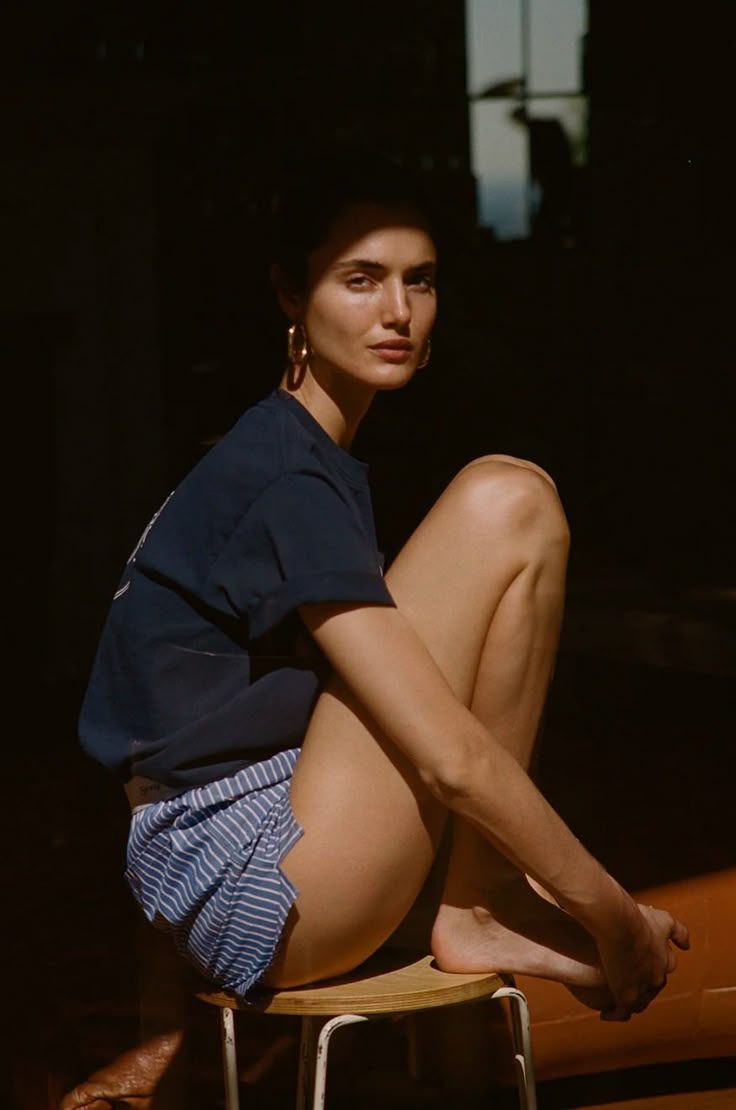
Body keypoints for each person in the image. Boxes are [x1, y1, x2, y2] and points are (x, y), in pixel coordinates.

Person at [68, 148, 688, 1104]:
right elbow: (451, 759)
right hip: (250, 880)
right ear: (292, 295)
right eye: (361, 280)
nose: (397, 311)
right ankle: (477, 905)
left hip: (246, 848)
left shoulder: (295, 453)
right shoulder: (285, 473)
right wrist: (610, 915)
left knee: (499, 512)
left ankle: (476, 905)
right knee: (506, 500)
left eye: (419, 280)